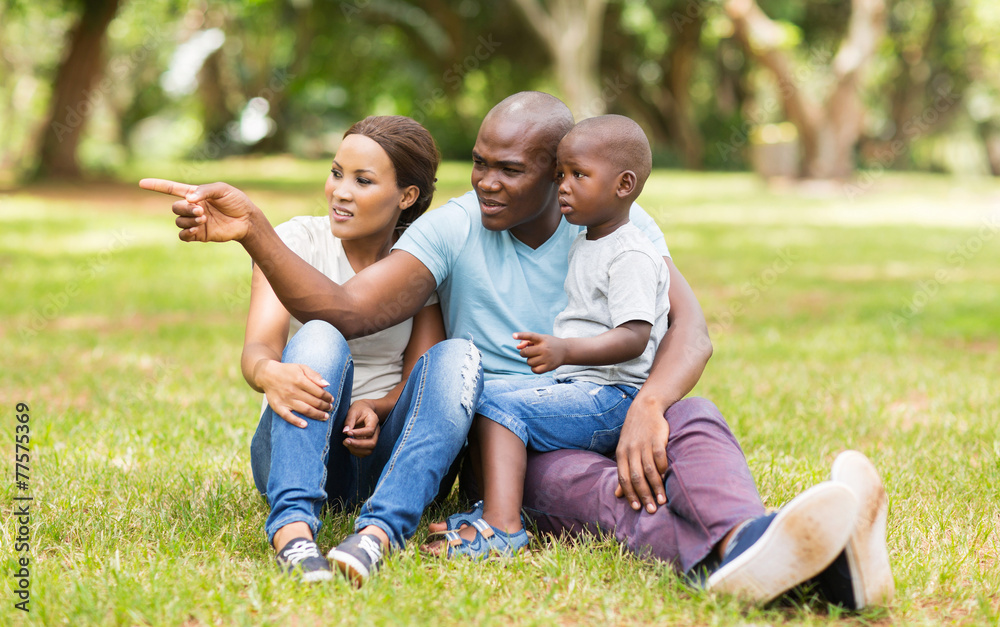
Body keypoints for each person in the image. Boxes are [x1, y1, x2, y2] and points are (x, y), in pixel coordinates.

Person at [140, 91, 892, 609]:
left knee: (693, 420)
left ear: (563, 173)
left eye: (512, 169)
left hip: (602, 403)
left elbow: (688, 330)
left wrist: (651, 405)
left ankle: (759, 539)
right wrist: (255, 229)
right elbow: (338, 308)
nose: (486, 183)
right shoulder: (455, 227)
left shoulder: (608, 219)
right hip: (512, 441)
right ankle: (788, 571)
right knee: (605, 494)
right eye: (480, 162)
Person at [219, 115, 483, 583]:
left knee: (459, 354)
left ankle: (377, 535)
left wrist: (379, 409)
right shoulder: (296, 241)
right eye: (337, 172)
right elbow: (258, 347)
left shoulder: (417, 260)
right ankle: (293, 531)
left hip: (388, 457)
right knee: (321, 334)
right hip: (298, 445)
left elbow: (420, 374)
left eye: (362, 181)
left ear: (407, 196)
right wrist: (268, 374)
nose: (340, 191)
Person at [438, 115, 671, 560]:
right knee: (484, 389)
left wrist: (565, 350)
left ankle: (502, 529)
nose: (562, 186)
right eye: (560, 174)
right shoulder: (589, 241)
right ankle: (491, 506)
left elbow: (636, 336)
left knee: (500, 406)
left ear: (624, 185)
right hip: (581, 385)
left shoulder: (631, 253)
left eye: (578, 175)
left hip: (613, 395)